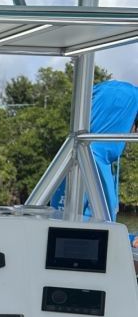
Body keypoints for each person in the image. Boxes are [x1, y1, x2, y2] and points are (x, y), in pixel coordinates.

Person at [50, 79, 138, 220]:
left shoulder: (95, 158)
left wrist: (130, 239)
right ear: (121, 119)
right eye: (134, 120)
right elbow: (74, 230)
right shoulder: (87, 160)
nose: (134, 131)